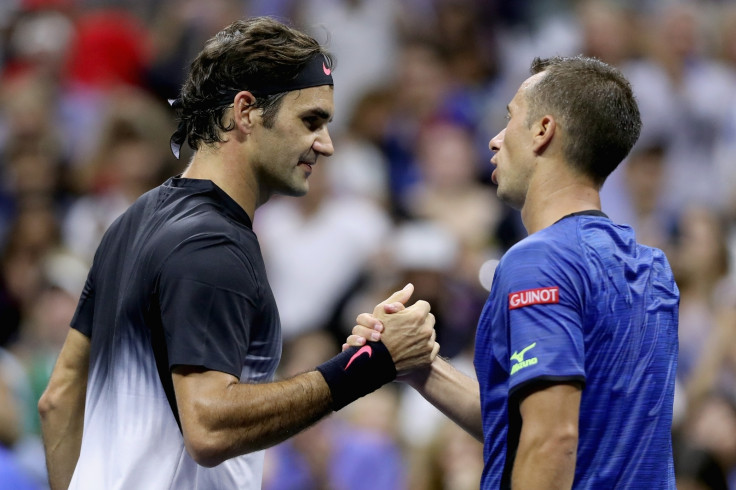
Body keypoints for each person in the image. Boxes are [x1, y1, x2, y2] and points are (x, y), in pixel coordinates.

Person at [37, 17, 439, 490]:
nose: (326, 145)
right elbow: (208, 425)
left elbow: (59, 399)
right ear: (246, 111)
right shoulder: (214, 245)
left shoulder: (134, 220)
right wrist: (369, 366)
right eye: (311, 120)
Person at [349, 55, 680, 488]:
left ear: (543, 131)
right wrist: (418, 365)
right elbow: (534, 430)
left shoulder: (539, 261)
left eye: (509, 120)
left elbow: (551, 440)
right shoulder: (653, 268)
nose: (494, 140)